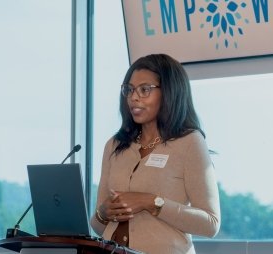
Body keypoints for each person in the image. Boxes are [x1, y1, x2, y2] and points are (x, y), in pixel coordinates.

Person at [90, 54, 221, 253]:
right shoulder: (115, 145)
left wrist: (152, 202)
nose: (134, 97)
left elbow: (211, 224)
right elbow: (99, 227)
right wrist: (103, 213)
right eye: (130, 90)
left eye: (144, 90)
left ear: (169, 92)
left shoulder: (190, 142)